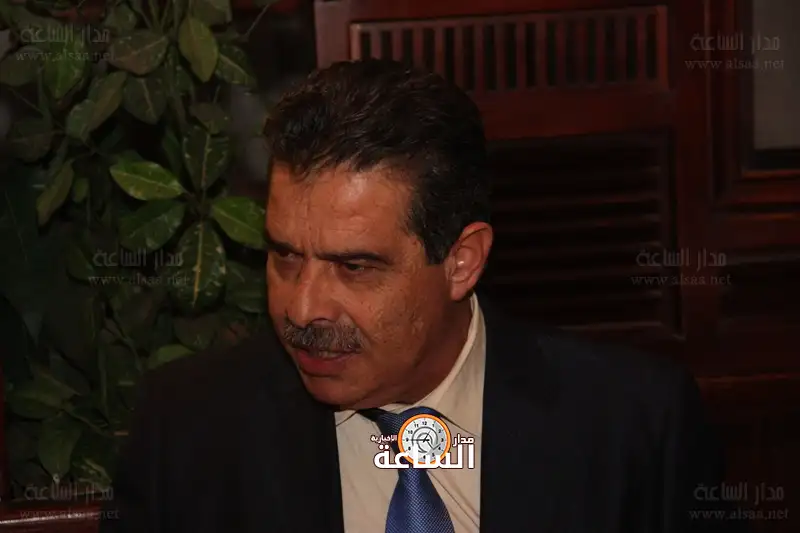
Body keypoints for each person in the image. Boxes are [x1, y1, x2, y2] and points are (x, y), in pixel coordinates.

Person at [101, 59, 740, 533]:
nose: (303, 308)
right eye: (286, 256)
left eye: (354, 266)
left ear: (462, 261)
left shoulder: (633, 427)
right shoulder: (188, 433)